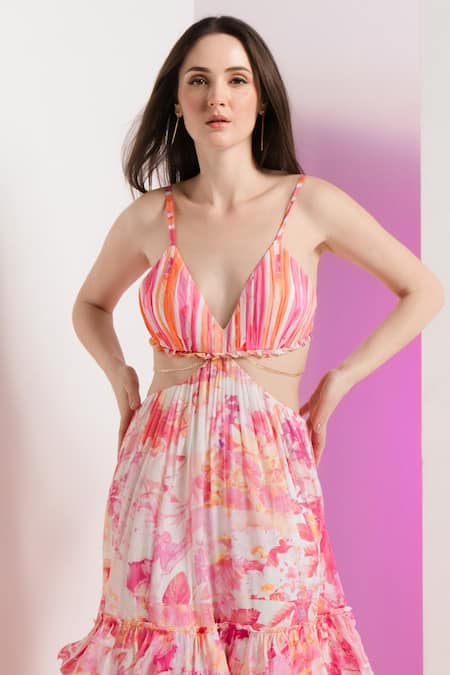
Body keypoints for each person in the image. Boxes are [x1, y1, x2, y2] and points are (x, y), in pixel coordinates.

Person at [57, 14, 444, 674]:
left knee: (281, 646)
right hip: (159, 482)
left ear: (261, 98)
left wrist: (339, 380)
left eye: (237, 79)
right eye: (199, 81)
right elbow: (89, 305)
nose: (218, 97)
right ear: (176, 102)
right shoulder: (149, 217)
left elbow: (423, 291)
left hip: (271, 480)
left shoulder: (310, 204)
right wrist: (120, 374)